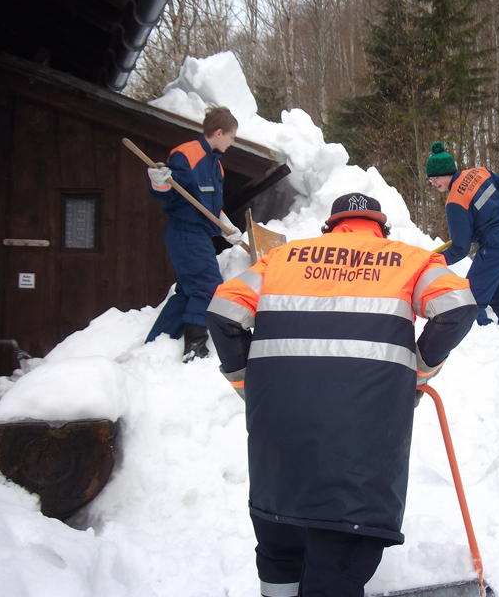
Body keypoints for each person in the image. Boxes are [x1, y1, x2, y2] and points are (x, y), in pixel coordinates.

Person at [205, 193, 478, 597]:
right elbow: (455, 306)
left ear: (330, 228)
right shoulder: (410, 259)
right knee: (337, 570)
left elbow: (224, 312)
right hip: (357, 464)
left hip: (278, 459)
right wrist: (416, 372)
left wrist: (250, 384)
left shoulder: (281, 259)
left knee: (280, 558)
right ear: (381, 228)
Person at [145, 105, 243, 361]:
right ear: (219, 132)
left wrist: (227, 227)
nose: (232, 143)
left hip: (201, 234)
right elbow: (166, 189)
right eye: (232, 137)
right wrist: (158, 179)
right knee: (208, 286)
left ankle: (156, 344)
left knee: (190, 291)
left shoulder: (217, 167)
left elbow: (212, 206)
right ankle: (195, 347)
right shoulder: (186, 154)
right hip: (185, 232)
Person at [426, 141, 499, 329]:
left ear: (447, 172)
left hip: (495, 246)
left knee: (471, 301)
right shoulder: (479, 173)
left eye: (435, 178)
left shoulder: (455, 201)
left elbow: (460, 248)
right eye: (430, 180)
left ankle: (484, 339)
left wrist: (436, 261)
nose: (434, 183)